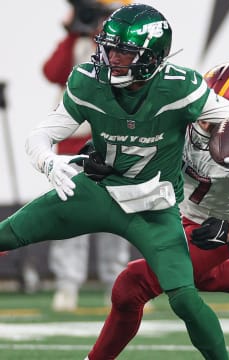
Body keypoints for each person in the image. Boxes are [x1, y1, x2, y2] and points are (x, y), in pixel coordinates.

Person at [0, 4, 229, 358]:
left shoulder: (182, 88)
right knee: (7, 232)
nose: (109, 58)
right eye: (108, 48)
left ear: (152, 58)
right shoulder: (88, 80)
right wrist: (48, 162)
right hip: (98, 190)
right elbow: (40, 135)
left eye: (123, 52)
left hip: (156, 206)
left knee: (184, 299)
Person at [84, 62, 229, 360]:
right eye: (205, 106)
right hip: (185, 210)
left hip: (225, 221)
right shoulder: (183, 104)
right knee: (201, 276)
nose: (202, 120)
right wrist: (104, 152)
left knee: (132, 285)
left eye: (215, 117)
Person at [42, 0, 131, 311]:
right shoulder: (77, 43)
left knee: (115, 214)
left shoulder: (125, 48)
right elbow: (52, 72)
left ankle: (116, 284)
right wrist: (73, 31)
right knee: (70, 215)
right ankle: (67, 286)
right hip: (72, 143)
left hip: (113, 139)